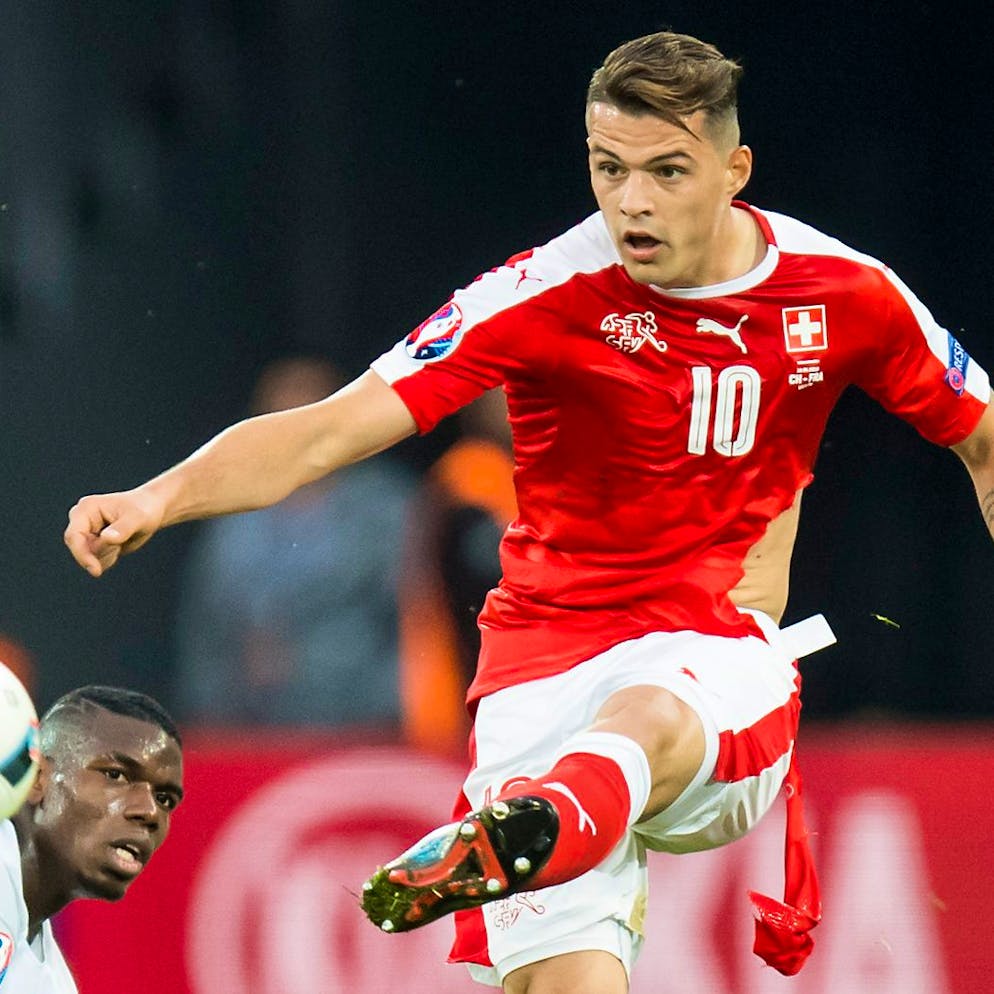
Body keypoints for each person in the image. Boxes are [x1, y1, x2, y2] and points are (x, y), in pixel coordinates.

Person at [62, 29, 994, 994]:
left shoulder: (844, 291)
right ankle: (538, 823)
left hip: (717, 654)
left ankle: (548, 818)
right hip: (538, 680)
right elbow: (326, 433)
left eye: (668, 170)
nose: (633, 201)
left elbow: (984, 436)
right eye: (609, 168)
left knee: (651, 712)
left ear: (734, 169)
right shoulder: (539, 292)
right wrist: (154, 497)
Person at [173, 354, 413, 728]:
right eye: (279, 414)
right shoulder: (229, 510)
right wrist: (210, 718)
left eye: (306, 412)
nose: (292, 429)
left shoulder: (389, 510)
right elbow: (203, 630)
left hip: (364, 727)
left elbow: (419, 628)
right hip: (248, 729)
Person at [1, 685, 183, 993]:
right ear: (37, 778)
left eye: (165, 799)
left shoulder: (53, 985)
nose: (150, 812)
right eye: (116, 775)